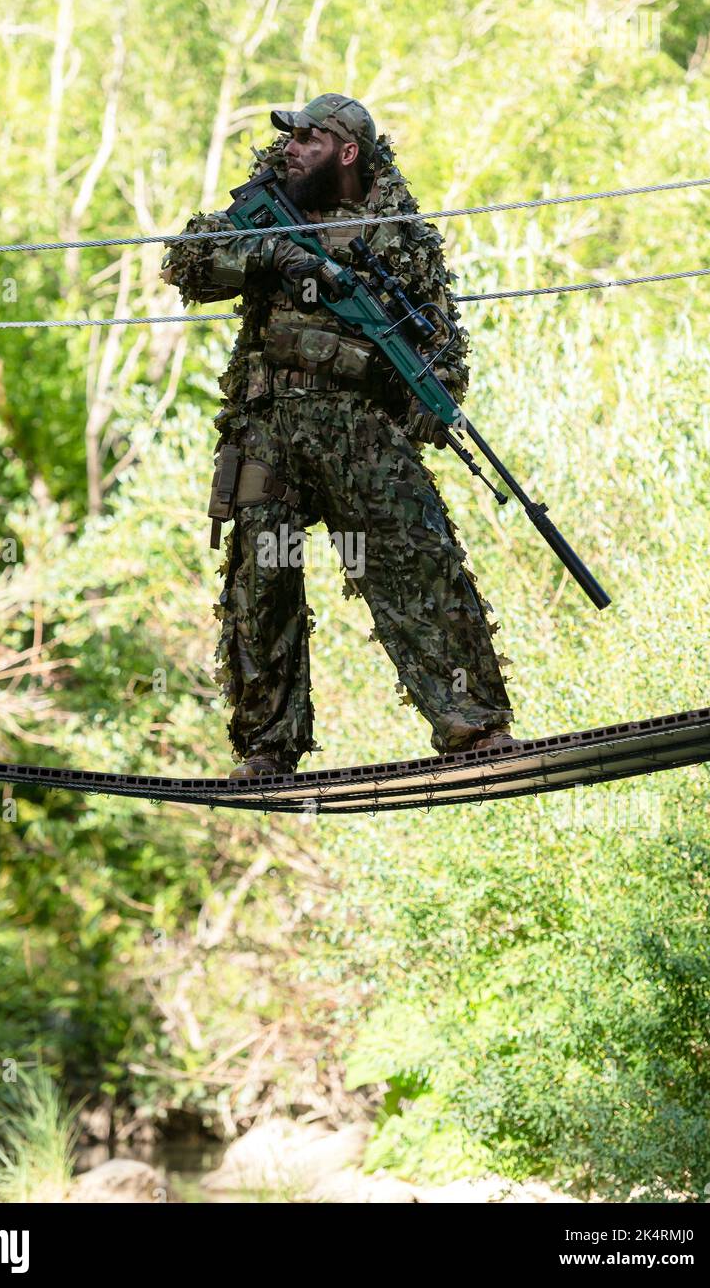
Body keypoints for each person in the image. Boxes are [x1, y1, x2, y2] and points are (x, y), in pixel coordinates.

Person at [161, 94, 515, 777]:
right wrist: (272, 258)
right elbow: (187, 262)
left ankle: (474, 729)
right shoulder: (265, 209)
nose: (291, 149)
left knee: (417, 562)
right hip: (268, 427)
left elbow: (441, 349)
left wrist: (415, 412)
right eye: (289, 139)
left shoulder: (397, 234)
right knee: (261, 584)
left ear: (347, 153)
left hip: (359, 431)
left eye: (308, 140)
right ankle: (267, 747)